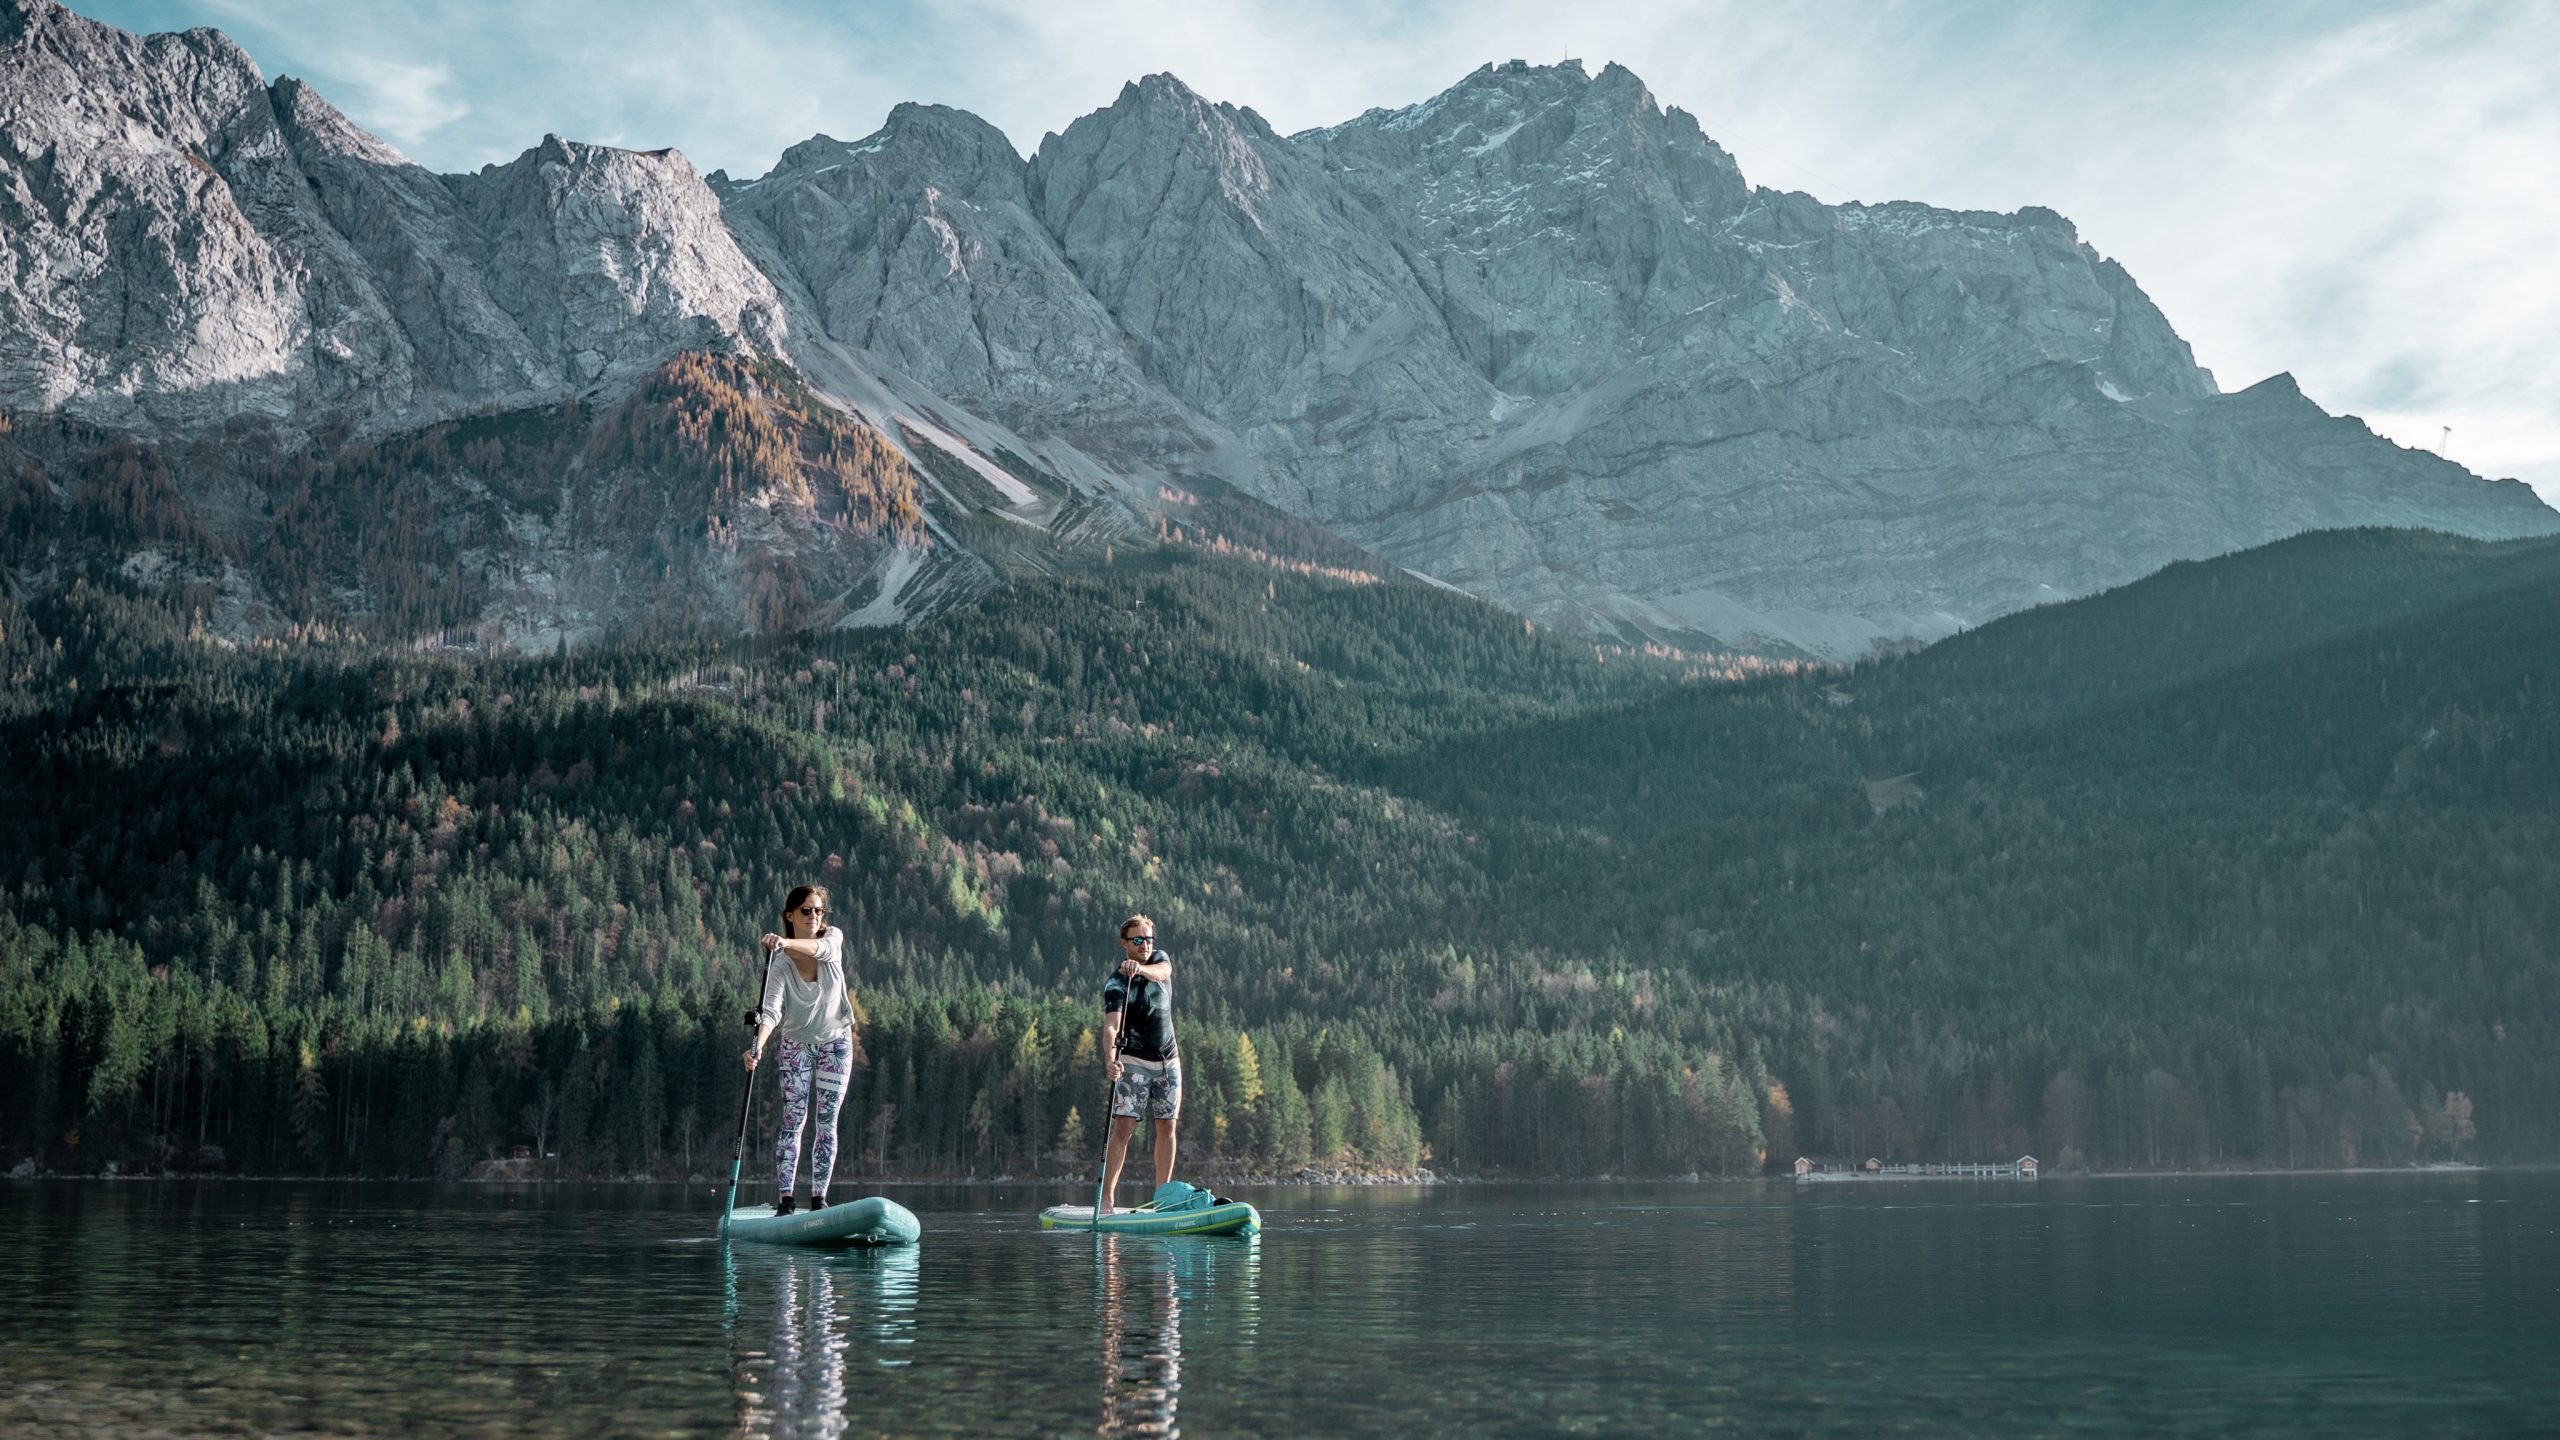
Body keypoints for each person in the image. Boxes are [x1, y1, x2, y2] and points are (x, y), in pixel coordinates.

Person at [743, 884, 854, 1216]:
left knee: (826, 1121)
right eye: (806, 910)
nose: (814, 916)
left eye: (819, 910)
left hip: (836, 1042)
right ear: (790, 915)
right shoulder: (779, 968)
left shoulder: (832, 938)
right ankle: (787, 1200)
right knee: (793, 1120)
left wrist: (784, 941)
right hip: (796, 1046)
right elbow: (771, 1012)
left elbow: (822, 951)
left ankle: (819, 1199)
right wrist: (756, 1048)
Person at [1099, 913, 1179, 1213]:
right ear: (1124, 944)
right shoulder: (1116, 983)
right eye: (1138, 940)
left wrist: (1142, 971)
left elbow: (1162, 973)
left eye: (1148, 939)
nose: (1145, 944)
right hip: (1132, 1062)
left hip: (1168, 1061)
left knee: (1167, 1127)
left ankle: (1163, 1198)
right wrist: (1110, 1059)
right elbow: (1111, 1026)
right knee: (1124, 1129)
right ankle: (1107, 1198)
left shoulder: (1160, 960)